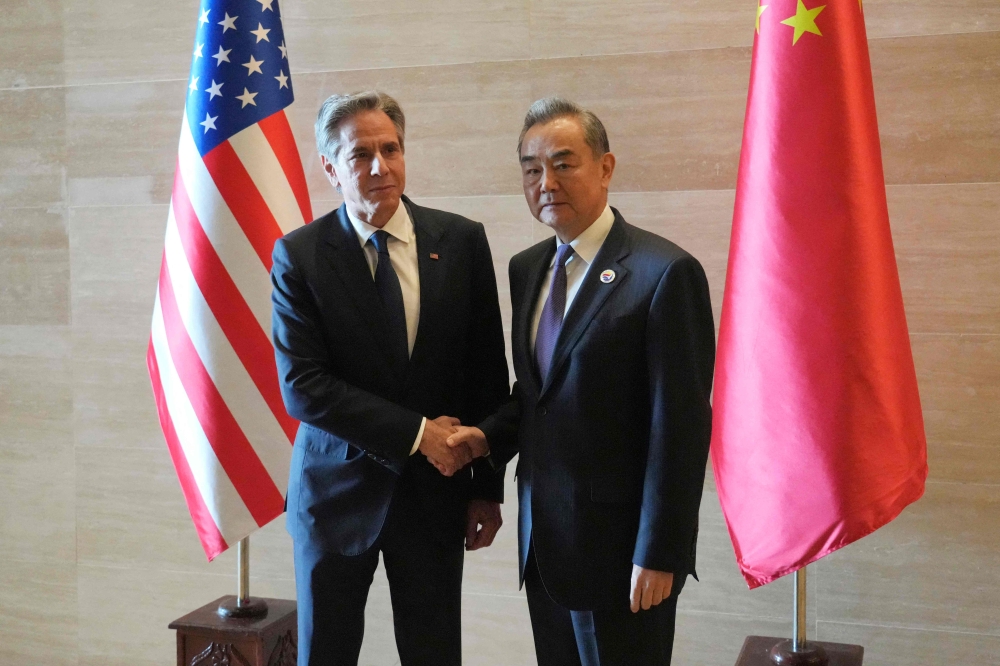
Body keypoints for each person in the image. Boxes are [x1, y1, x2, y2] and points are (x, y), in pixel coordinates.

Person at [447, 97, 716, 666]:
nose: (546, 182)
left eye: (563, 163)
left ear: (606, 167)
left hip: (624, 556)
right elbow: (539, 396)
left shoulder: (663, 273)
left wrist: (660, 551)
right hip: (544, 545)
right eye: (531, 168)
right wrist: (489, 438)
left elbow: (681, 427)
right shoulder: (528, 268)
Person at [271, 91, 510, 666]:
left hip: (434, 494)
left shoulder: (461, 241)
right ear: (330, 167)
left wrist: (485, 486)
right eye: (360, 155)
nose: (380, 167)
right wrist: (416, 432)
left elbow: (485, 373)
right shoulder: (299, 256)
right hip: (334, 496)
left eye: (392, 149)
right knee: (326, 653)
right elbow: (304, 386)